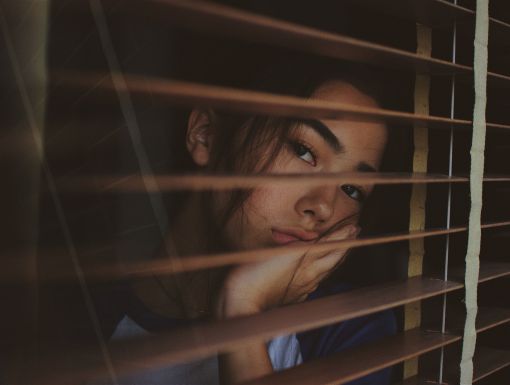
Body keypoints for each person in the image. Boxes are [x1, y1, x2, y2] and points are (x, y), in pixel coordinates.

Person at [107, 59, 400, 385]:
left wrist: (241, 309)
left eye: (352, 189)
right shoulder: (83, 320)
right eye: (303, 151)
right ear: (206, 135)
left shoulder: (347, 330)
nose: (323, 207)